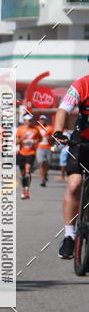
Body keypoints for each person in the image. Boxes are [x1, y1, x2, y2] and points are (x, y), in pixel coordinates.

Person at [53, 71, 89, 259]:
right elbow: (63, 110)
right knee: (74, 185)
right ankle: (69, 236)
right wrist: (59, 131)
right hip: (82, 141)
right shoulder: (82, 84)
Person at [16, 113, 41, 200]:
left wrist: (36, 142)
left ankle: (27, 190)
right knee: (23, 173)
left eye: (31, 120)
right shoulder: (20, 129)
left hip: (31, 153)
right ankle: (24, 189)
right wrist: (22, 138)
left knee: (28, 171)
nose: (29, 122)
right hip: (22, 153)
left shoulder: (35, 130)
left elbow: (39, 138)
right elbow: (16, 142)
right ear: (24, 121)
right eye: (28, 120)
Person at [36, 114, 54, 187]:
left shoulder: (50, 128)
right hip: (40, 147)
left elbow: (53, 138)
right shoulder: (36, 128)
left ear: (46, 120)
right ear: (39, 120)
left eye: (43, 119)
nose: (42, 121)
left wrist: (50, 138)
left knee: (47, 164)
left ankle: (45, 173)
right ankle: (42, 180)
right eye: (41, 119)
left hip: (48, 148)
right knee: (41, 163)